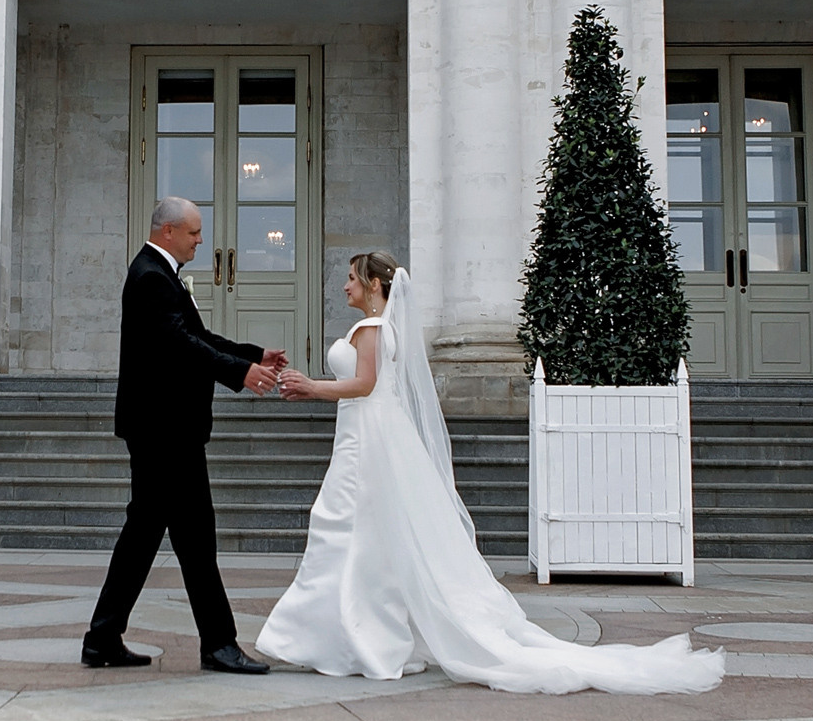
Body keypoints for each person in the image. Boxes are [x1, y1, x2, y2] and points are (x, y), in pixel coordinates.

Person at [256, 253, 725, 695]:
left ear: (374, 285)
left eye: (352, 279)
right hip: (369, 436)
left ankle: (351, 639)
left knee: (347, 532)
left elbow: (365, 385)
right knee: (360, 537)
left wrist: (311, 387)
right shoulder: (383, 327)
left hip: (366, 443)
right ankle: (349, 636)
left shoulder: (373, 328)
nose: (345, 286)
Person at [82, 197, 288, 673]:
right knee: (195, 538)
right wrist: (242, 373)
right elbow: (180, 345)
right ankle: (217, 643)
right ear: (170, 231)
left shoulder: (158, 274)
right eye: (195, 233)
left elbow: (197, 335)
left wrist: (253, 355)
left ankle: (103, 638)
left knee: (146, 535)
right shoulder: (152, 277)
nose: (201, 240)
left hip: (162, 430)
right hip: (165, 431)